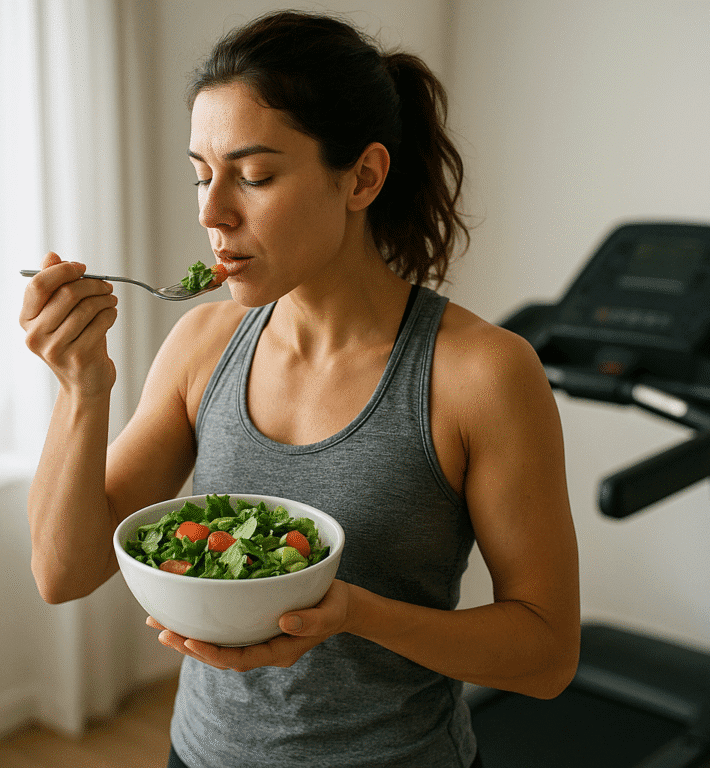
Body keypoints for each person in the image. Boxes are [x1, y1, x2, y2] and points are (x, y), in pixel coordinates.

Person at [19, 10, 579, 768]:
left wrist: (350, 612)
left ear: (363, 177)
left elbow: (547, 655)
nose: (211, 213)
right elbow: (62, 572)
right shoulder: (202, 344)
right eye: (202, 174)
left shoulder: (480, 374)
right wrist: (82, 390)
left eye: (253, 176)